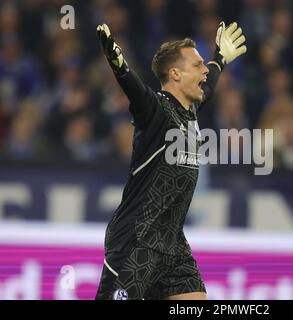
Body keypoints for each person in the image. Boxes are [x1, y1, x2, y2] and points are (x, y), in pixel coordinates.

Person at [94, 22, 246, 300]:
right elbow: (136, 92)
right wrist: (119, 65)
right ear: (175, 74)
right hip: (136, 241)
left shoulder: (189, 112)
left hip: (173, 244)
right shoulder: (156, 110)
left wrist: (220, 58)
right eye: (198, 65)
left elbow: (209, 85)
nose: (204, 70)